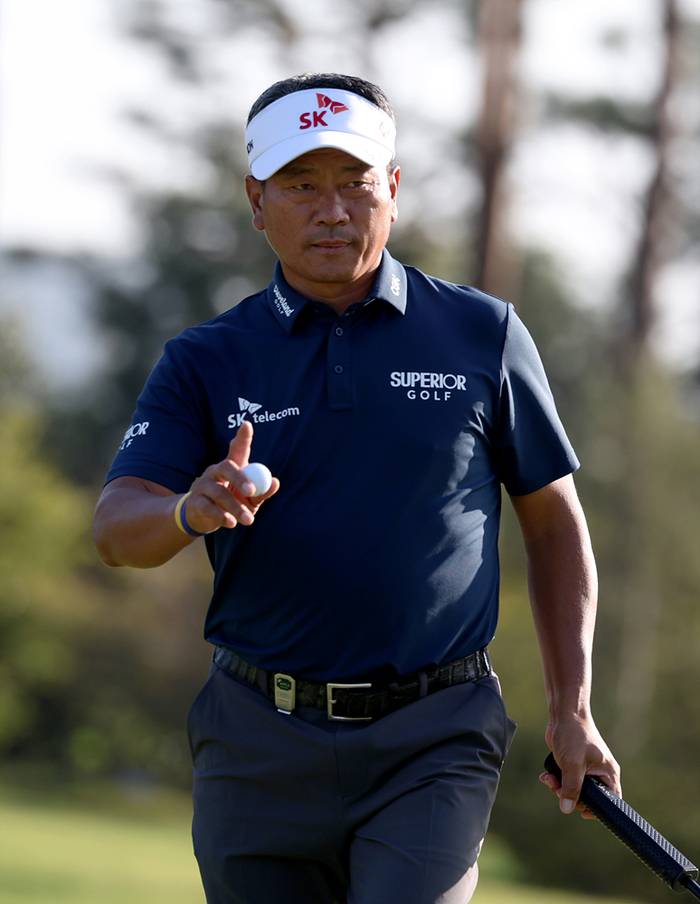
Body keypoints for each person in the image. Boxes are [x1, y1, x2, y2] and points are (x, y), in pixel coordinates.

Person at [93, 72, 620, 904]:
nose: (332, 211)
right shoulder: (205, 358)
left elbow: (554, 525)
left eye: (355, 182)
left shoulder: (483, 333)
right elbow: (117, 528)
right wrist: (187, 511)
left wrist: (573, 708)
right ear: (257, 201)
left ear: (394, 190)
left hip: (435, 733)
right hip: (255, 740)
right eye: (301, 185)